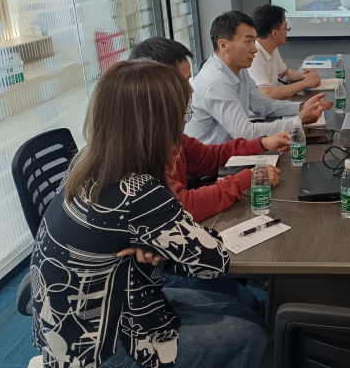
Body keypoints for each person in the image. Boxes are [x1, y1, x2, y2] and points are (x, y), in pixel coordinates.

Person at [31, 60, 267, 368]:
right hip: (101, 347)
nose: (182, 126)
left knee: (237, 307)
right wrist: (161, 246)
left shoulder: (84, 163)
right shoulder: (137, 190)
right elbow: (213, 261)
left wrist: (156, 246)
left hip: (71, 327)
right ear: (158, 125)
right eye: (181, 116)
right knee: (251, 334)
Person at [129, 37, 290, 221]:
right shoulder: (140, 149)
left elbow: (208, 157)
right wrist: (248, 178)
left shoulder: (166, 131)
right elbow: (182, 206)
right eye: (183, 82)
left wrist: (261, 143)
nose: (190, 90)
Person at [185, 10, 333, 144]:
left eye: (254, 41)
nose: (255, 49)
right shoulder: (216, 81)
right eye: (248, 41)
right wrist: (297, 121)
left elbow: (262, 105)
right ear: (223, 45)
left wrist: (301, 107)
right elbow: (244, 133)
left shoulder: (239, 68)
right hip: (215, 161)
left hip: (232, 149)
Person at [248, 4, 321, 99]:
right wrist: (305, 83)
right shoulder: (253, 56)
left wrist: (304, 76)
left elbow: (284, 75)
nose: (287, 32)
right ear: (275, 33)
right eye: (286, 29)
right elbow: (267, 94)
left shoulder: (272, 48)